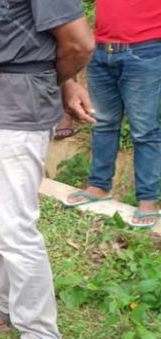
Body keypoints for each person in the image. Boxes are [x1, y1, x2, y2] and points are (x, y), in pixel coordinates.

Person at [0, 0, 94, 339]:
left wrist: (52, 81)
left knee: (14, 226)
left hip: (20, 101)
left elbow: (79, 43)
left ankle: (41, 337)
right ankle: (6, 305)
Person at [63, 0, 161, 228]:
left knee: (144, 129)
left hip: (145, 49)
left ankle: (148, 199)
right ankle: (99, 186)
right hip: (100, 49)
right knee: (103, 122)